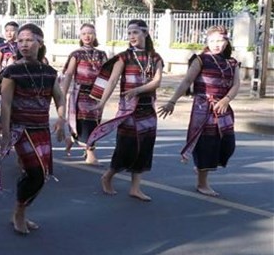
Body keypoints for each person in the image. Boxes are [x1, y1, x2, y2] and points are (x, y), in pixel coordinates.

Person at [0, 23, 65, 235]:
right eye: (20, 41)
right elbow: (5, 103)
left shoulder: (49, 71)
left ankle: (22, 210)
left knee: (41, 174)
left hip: (41, 128)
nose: (23, 44)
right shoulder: (12, 71)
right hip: (21, 129)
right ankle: (18, 212)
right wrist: (6, 132)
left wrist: (62, 120)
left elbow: (59, 98)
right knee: (35, 172)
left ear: (40, 42)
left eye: (28, 40)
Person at [158, 25, 240, 197]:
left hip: (223, 108)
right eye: (212, 41)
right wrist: (172, 101)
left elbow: (236, 85)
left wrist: (226, 99)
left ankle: (201, 166)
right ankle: (202, 183)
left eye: (220, 40)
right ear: (207, 41)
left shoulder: (232, 63)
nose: (216, 44)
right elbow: (187, 81)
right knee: (206, 144)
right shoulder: (200, 59)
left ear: (226, 40)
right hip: (203, 107)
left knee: (228, 144)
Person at [88, 19, 163, 202]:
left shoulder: (155, 57)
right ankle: (108, 176)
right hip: (127, 111)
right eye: (129, 33)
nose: (131, 36)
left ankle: (135, 188)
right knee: (125, 147)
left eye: (135, 32)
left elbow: (157, 82)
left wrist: (137, 90)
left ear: (145, 33)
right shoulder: (124, 57)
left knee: (145, 148)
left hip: (147, 110)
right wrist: (101, 103)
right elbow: (112, 81)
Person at [59, 24, 107, 164]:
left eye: (90, 33)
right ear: (80, 36)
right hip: (80, 95)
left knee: (95, 122)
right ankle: (91, 154)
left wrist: (104, 96)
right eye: (84, 33)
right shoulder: (76, 54)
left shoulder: (101, 54)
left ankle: (72, 139)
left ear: (95, 35)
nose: (87, 36)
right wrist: (62, 94)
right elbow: (68, 75)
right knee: (85, 123)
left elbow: (106, 76)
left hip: (96, 94)